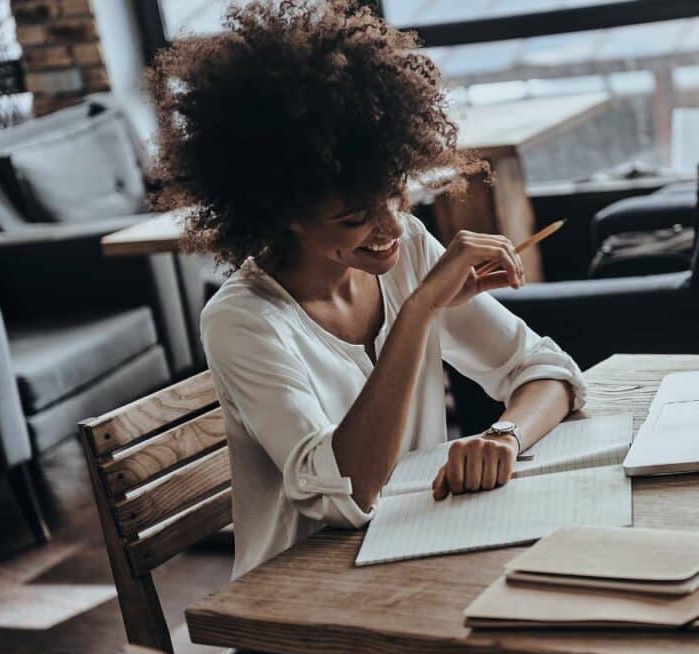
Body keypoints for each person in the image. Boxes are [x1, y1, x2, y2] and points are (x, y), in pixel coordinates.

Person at [148, 0, 585, 578]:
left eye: (396, 195)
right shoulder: (242, 321)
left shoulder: (406, 248)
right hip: (300, 599)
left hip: (414, 559)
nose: (389, 227)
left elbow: (547, 371)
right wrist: (421, 309)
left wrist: (504, 437)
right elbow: (350, 491)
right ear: (284, 213)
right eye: (355, 217)